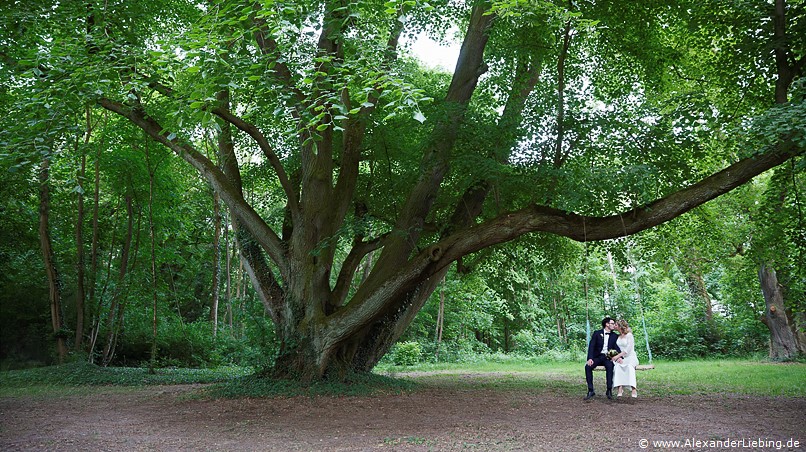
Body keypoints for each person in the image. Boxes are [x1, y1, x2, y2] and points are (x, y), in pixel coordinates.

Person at [584, 316, 620, 400]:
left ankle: (609, 390)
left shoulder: (614, 336)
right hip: (597, 357)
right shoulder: (597, 333)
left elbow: (617, 348)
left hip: (608, 357)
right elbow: (591, 346)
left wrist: (619, 357)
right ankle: (590, 390)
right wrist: (590, 358)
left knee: (610, 366)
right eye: (612, 323)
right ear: (607, 324)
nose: (614, 325)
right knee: (588, 367)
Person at [612, 319, 639, 397]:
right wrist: (617, 358)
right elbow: (615, 348)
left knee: (629, 367)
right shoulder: (618, 336)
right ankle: (620, 389)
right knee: (617, 367)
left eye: (616, 325)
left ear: (620, 326)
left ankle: (633, 389)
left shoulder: (629, 335)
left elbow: (628, 349)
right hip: (621, 358)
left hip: (630, 357)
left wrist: (618, 356)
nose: (614, 326)